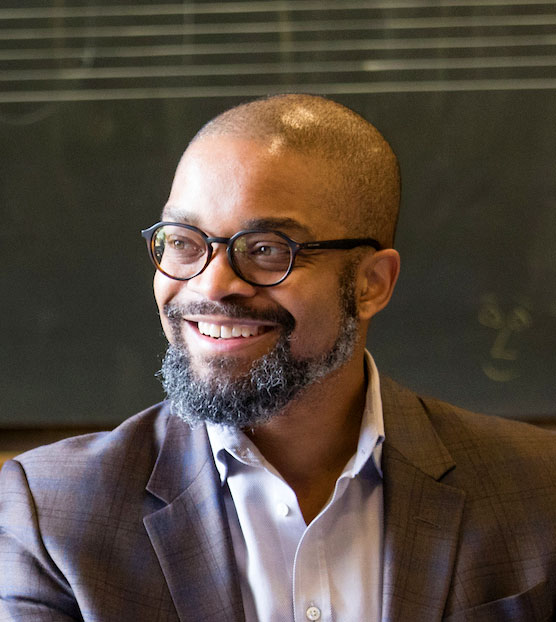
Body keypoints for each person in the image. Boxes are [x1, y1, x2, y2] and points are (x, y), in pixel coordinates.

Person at [0, 94, 555, 622]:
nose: (211, 284)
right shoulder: (53, 514)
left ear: (371, 283)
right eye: (184, 242)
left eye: (266, 249)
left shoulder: (539, 487)